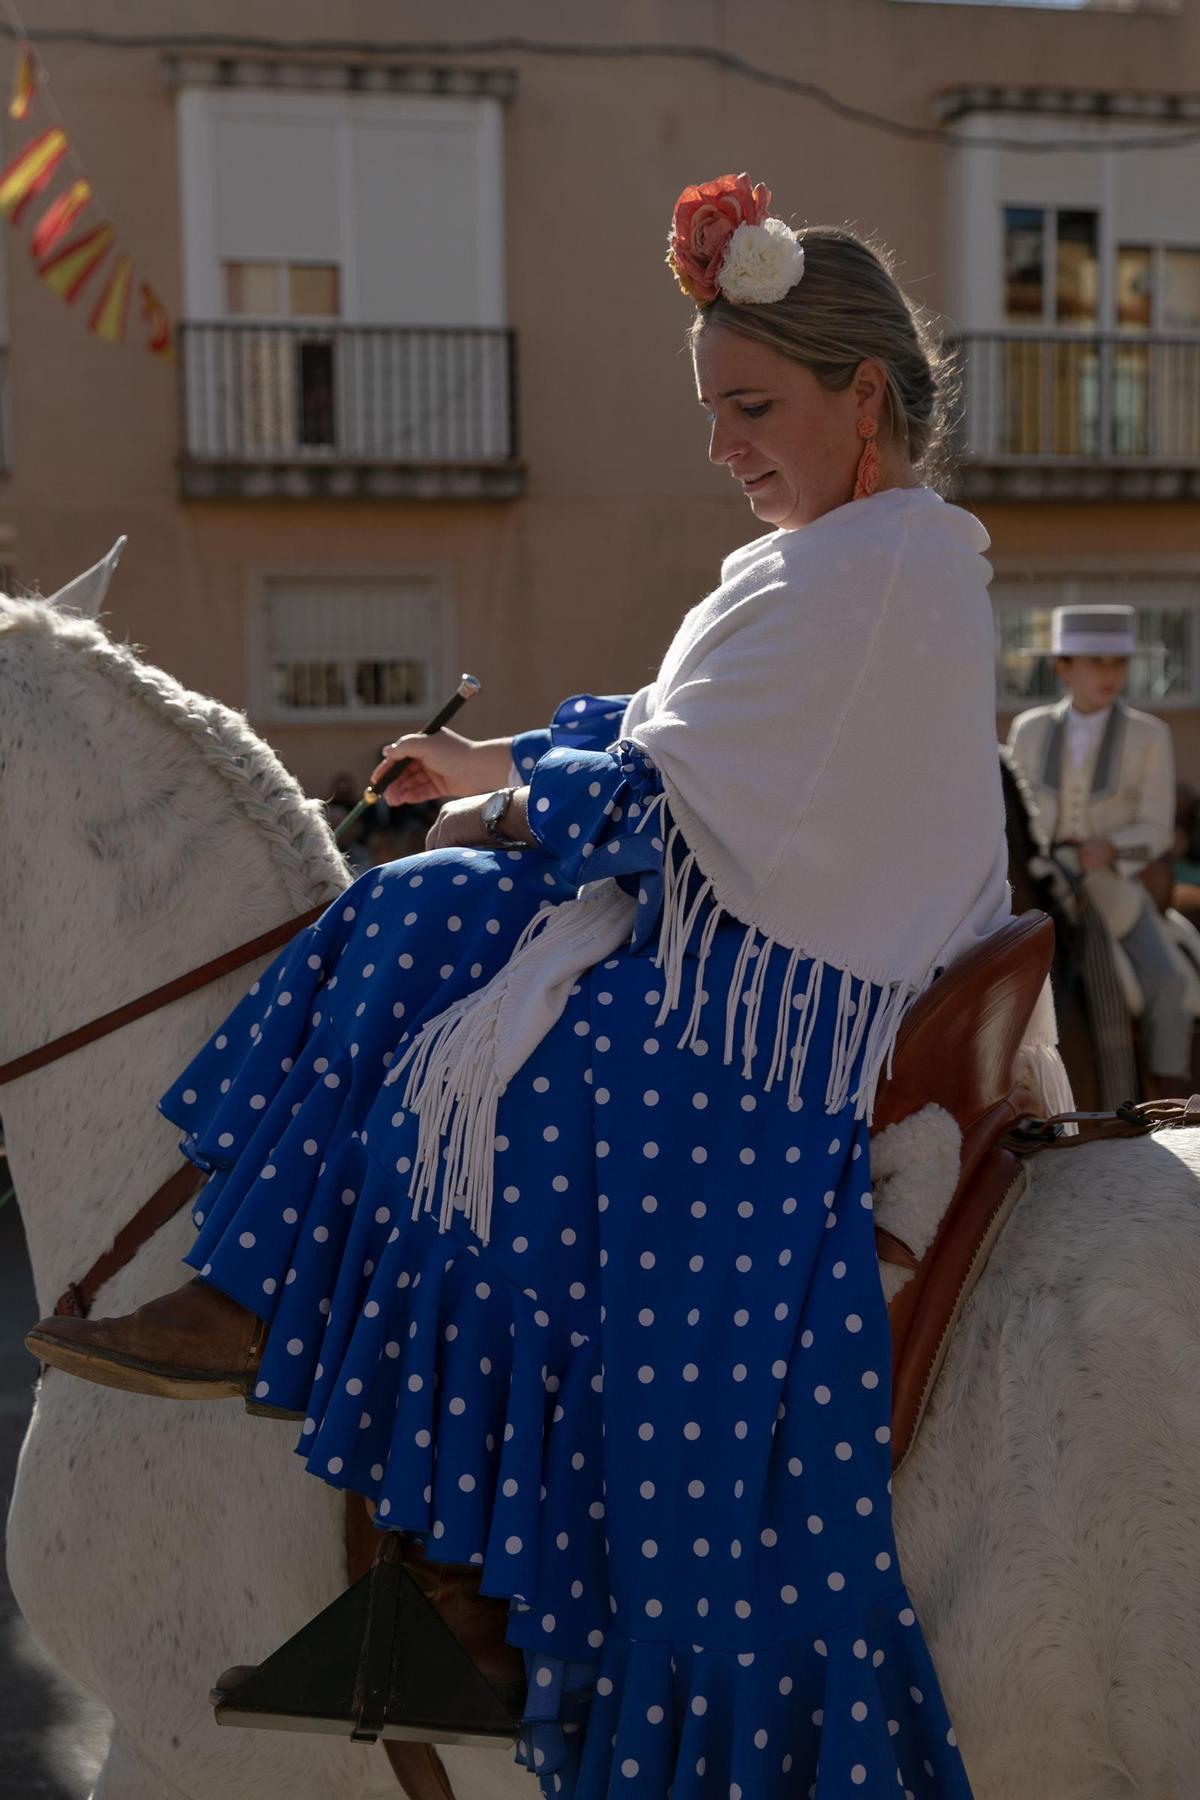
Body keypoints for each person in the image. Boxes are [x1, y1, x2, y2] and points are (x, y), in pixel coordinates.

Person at [27, 174, 1012, 1798]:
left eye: (753, 407)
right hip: (708, 914)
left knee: (504, 1097)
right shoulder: (811, 560)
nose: (727, 446)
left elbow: (698, 786)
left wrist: (513, 801)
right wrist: (498, 765)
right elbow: (673, 726)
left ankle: (502, 1554)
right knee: (413, 920)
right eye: (714, 411)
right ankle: (266, 1284)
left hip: (790, 989)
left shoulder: (888, 567)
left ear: (868, 398)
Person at [1007, 606, 1190, 1096]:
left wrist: (1111, 847)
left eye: (1118, 663)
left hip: (1111, 888)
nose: (1110, 674)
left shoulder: (1150, 734)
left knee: (1169, 982)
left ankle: (1172, 1091)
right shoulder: (1029, 728)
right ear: (1063, 667)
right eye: (1096, 662)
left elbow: (1156, 824)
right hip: (1041, 880)